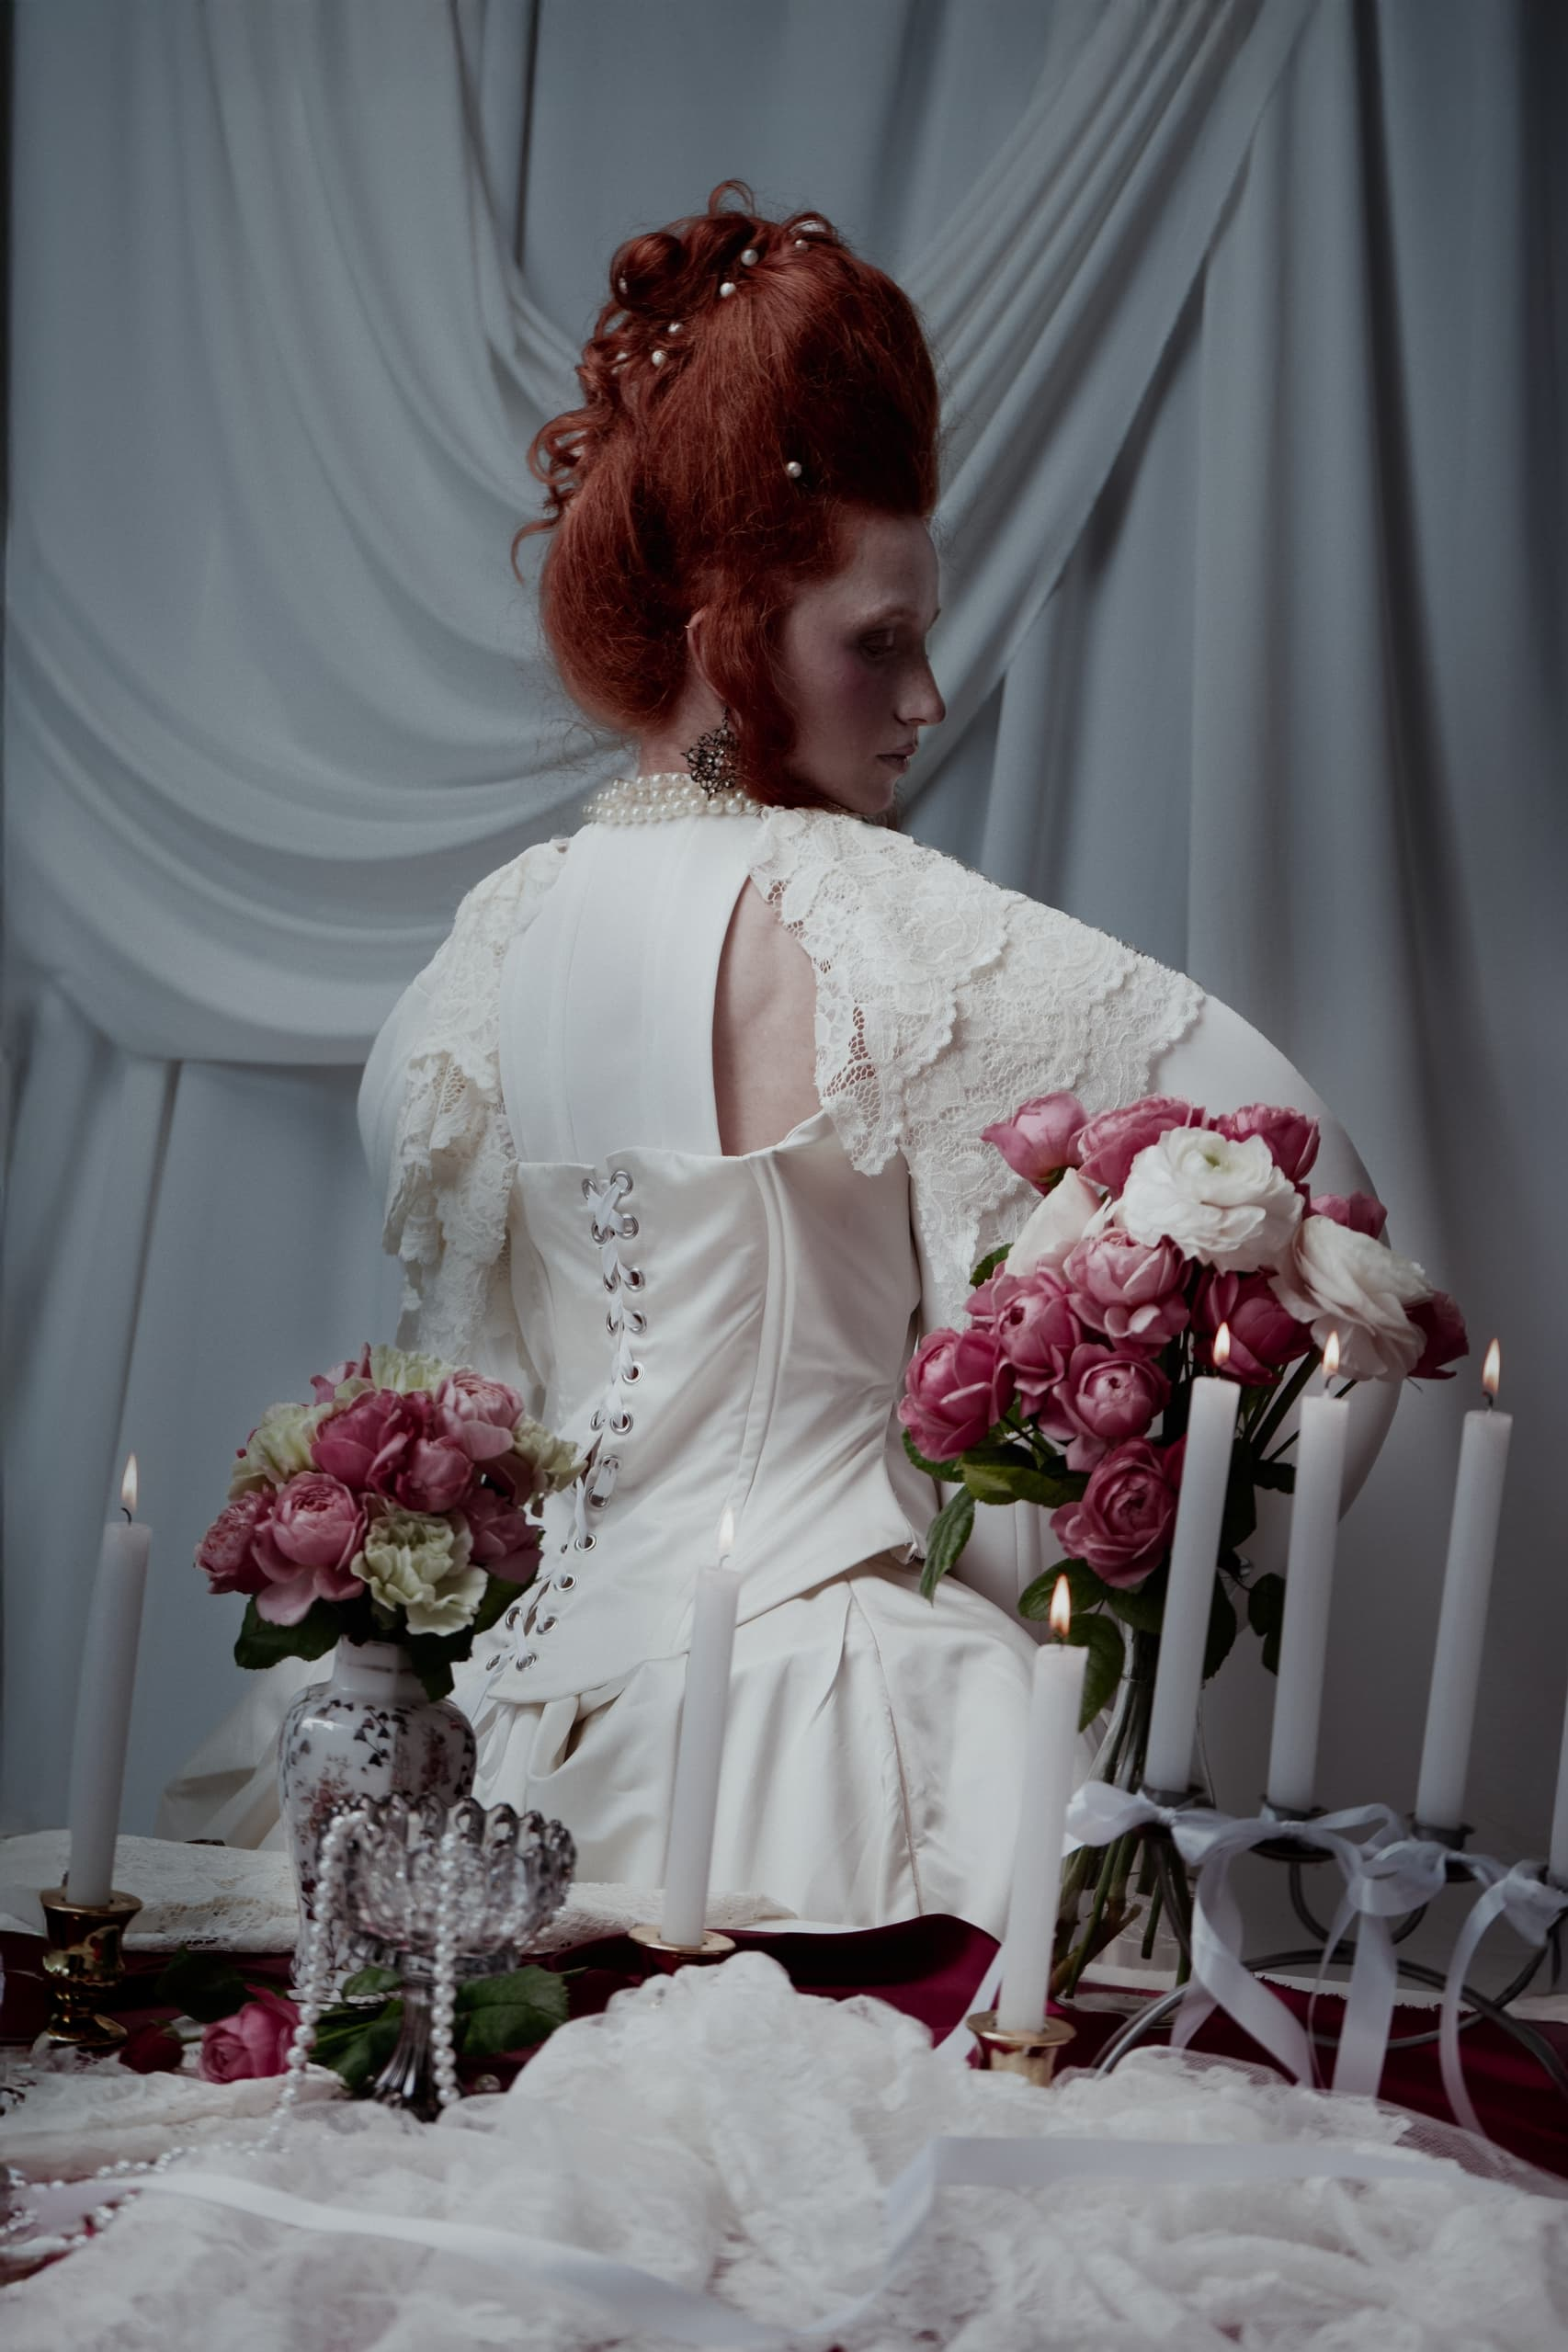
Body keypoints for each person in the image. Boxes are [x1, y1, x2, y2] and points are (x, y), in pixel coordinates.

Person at [160, 184, 1394, 1933]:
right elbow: (1334, 1229)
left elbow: (476, 1411)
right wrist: (1105, 1542)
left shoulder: (469, 964)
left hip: (474, 1750)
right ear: (722, 628)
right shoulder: (899, 938)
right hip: (833, 1738)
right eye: (875, 641)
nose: (922, 698)